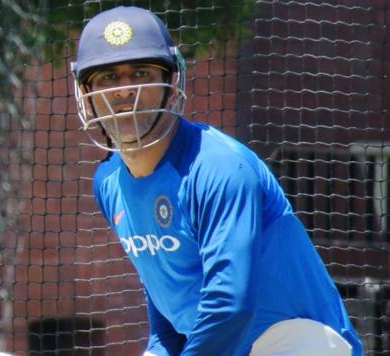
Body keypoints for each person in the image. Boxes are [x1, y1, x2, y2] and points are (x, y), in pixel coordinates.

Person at [71, 5, 363, 356]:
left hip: (301, 343)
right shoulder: (108, 181)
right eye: (108, 78)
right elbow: (165, 288)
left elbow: (229, 304)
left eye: (142, 72)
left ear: (172, 82)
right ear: (85, 94)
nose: (125, 91)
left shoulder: (221, 167)